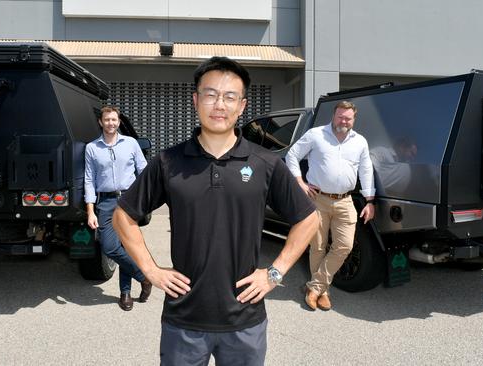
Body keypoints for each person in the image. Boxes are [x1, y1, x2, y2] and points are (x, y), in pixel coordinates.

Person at [112, 57, 319, 365]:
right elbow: (122, 216)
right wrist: (151, 270)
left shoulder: (265, 163)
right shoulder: (169, 162)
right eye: (210, 94)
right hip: (183, 320)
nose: (219, 104)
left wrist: (274, 273)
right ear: (196, 100)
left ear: (242, 105)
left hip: (245, 320)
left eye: (229, 96)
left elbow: (308, 218)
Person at [285, 100, 375, 311]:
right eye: (340, 116)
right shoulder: (316, 135)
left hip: (346, 200)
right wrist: (299, 182)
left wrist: (370, 200)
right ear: (333, 116)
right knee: (317, 246)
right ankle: (323, 292)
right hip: (317, 199)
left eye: (348, 117)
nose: (343, 120)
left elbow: (366, 169)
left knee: (345, 245)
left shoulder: (359, 141)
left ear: (354, 119)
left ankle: (315, 287)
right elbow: (292, 155)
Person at [84, 105, 152, 311]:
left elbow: (144, 171)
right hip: (105, 202)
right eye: (107, 120)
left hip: (129, 201)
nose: (110, 123)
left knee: (126, 247)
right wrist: (90, 210)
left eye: (114, 120)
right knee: (109, 247)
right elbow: (89, 180)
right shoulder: (92, 148)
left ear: (119, 122)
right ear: (101, 122)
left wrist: (145, 199)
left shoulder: (130, 144)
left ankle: (125, 293)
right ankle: (145, 277)